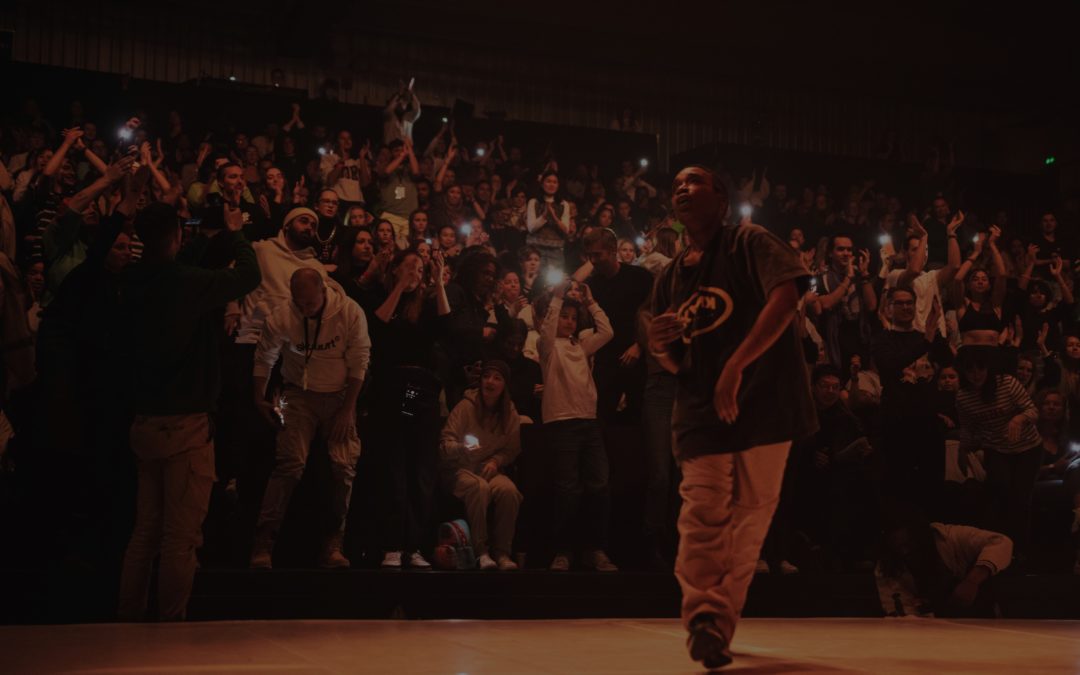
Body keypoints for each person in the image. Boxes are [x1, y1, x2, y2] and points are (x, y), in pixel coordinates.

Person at [647, 165, 817, 669]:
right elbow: (675, 360)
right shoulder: (669, 276)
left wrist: (736, 366)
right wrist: (660, 347)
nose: (682, 188)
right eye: (676, 185)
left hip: (765, 401)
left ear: (721, 198)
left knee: (748, 520)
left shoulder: (749, 242)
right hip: (700, 410)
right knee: (702, 514)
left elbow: (788, 295)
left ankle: (717, 623)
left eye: (694, 181)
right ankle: (704, 618)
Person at [117, 201, 261, 621]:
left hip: (145, 419)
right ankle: (170, 623)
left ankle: (127, 618)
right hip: (185, 425)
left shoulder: (132, 279)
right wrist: (236, 233)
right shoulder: (186, 282)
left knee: (145, 531)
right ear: (177, 236)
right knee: (180, 537)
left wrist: (204, 241)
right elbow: (248, 276)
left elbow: (176, 265)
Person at [249, 268, 371, 569]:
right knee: (290, 463)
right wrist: (258, 396)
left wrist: (348, 409)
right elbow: (264, 356)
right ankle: (264, 542)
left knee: (344, 467)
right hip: (299, 394)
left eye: (310, 303)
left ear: (323, 291)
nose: (305, 309)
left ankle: (334, 543)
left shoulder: (349, 312)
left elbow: (359, 361)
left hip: (340, 395)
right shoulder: (282, 315)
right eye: (299, 303)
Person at [538, 278, 616, 572]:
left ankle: (595, 549)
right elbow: (547, 330)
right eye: (564, 317)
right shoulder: (548, 347)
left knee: (599, 485)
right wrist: (557, 299)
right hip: (561, 422)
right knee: (567, 490)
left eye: (573, 317)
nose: (569, 322)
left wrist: (591, 302)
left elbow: (607, 332)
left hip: (589, 421)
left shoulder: (581, 346)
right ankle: (563, 551)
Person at [439, 360, 524, 571]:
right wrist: (462, 448)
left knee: (509, 491)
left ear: (504, 385)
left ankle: (502, 552)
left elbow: (512, 449)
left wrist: (496, 461)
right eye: (486, 376)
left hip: (487, 468)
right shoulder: (465, 406)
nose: (490, 382)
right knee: (479, 487)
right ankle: (481, 552)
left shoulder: (509, 412)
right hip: (459, 469)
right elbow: (444, 445)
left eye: (497, 378)